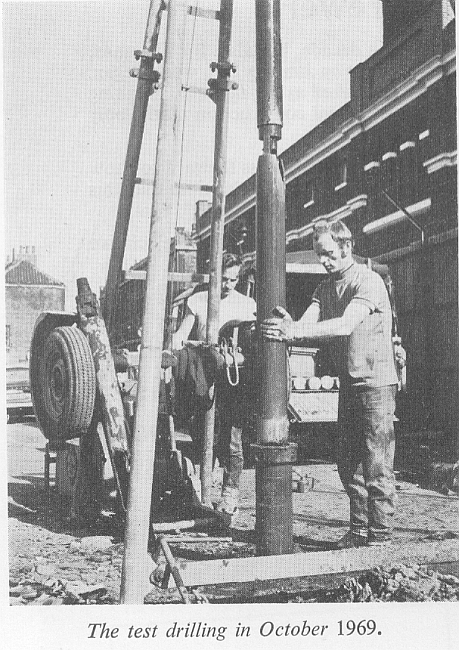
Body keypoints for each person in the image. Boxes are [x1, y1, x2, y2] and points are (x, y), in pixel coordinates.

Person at [261, 219, 399, 547]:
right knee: (348, 462)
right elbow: (307, 321)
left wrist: (294, 331)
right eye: (318, 253)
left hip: (376, 385)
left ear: (346, 246)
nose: (323, 260)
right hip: (350, 386)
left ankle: (380, 538)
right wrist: (288, 325)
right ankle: (358, 530)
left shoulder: (368, 281)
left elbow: (345, 325)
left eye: (327, 253)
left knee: (376, 462)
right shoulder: (324, 287)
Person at [172, 253, 256, 520]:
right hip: (204, 381)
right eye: (224, 279)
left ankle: (230, 495)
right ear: (212, 276)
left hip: (234, 381)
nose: (229, 285)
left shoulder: (247, 304)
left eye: (234, 279)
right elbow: (180, 337)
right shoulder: (197, 301)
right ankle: (201, 490)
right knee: (201, 436)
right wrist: (175, 345)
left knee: (232, 439)